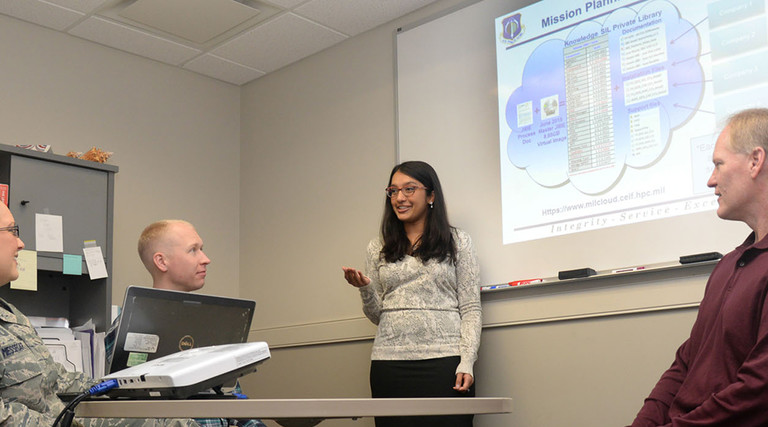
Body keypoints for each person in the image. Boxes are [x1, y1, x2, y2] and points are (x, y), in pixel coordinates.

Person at [0, 203, 198, 426]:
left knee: (174, 422)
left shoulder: (11, 315)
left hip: (66, 418)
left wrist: (119, 387)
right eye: (11, 230)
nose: (20, 243)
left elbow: (57, 380)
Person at [630, 108, 768, 426]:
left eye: (718, 164)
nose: (710, 180)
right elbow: (685, 365)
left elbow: (758, 392)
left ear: (755, 161)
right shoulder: (727, 266)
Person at [342, 161, 482, 427]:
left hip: (445, 362)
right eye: (393, 191)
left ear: (431, 196)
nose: (399, 198)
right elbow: (377, 316)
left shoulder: (458, 241)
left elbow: (471, 309)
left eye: (409, 189)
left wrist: (467, 361)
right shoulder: (377, 247)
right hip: (389, 364)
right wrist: (364, 289)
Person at [107, 220, 265, 427]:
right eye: (193, 250)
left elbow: (232, 398)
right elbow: (128, 407)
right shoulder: (129, 326)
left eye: (202, 249)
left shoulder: (214, 322)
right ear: (161, 261)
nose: (206, 259)